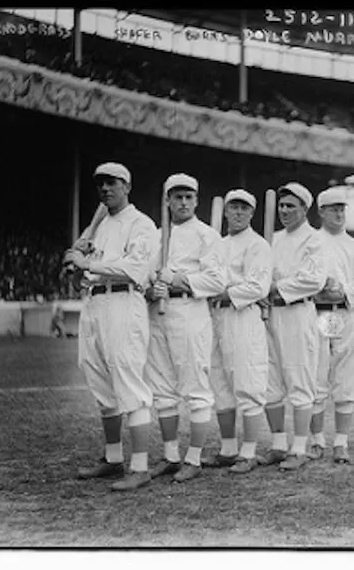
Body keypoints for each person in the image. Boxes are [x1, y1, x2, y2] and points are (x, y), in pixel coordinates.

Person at [64, 162, 158, 491]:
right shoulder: (100, 227)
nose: (106, 189)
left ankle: (141, 467)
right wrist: (75, 264)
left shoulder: (141, 224)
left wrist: (88, 262)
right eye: (101, 184)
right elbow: (85, 275)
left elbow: (134, 268)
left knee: (127, 379)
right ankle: (114, 459)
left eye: (113, 183)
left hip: (124, 302)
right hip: (95, 302)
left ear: (127, 186)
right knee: (97, 375)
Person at [145, 173, 226, 483]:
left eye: (188, 197)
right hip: (158, 311)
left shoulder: (207, 235)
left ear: (196, 200)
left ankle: (193, 458)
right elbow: (143, 276)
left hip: (190, 311)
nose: (182, 202)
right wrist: (152, 289)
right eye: (176, 197)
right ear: (167, 200)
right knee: (162, 387)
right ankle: (170, 455)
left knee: (195, 385)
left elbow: (217, 281)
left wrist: (177, 279)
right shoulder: (155, 236)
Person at [308, 187, 354, 464]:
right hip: (318, 313)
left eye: (341, 209)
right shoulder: (311, 242)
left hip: (345, 313)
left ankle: (341, 442)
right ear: (322, 212)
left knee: (347, 375)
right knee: (316, 375)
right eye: (332, 208)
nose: (338, 213)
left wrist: (345, 292)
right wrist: (320, 289)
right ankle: (315, 441)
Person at [261, 182, 327, 471]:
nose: (285, 210)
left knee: (300, 379)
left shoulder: (314, 240)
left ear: (304, 208)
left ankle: (300, 447)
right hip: (268, 314)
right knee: (270, 382)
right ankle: (278, 444)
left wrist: (275, 285)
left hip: (298, 312)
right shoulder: (270, 239)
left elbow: (314, 280)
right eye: (282, 205)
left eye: (291, 205)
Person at [207, 189, 272, 475]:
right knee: (220, 383)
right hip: (215, 315)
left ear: (252, 213)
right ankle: (228, 449)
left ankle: (248, 452)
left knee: (247, 382)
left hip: (242, 315)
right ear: (225, 211)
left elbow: (258, 287)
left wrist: (222, 290)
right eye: (233, 207)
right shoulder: (215, 243)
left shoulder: (258, 245)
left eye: (244, 208)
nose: (237, 212)